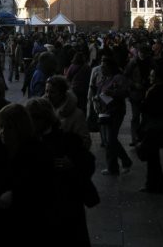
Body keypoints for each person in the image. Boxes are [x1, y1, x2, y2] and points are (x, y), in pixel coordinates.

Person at [0, 103, 55, 247]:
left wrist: (17, 195)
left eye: (9, 127)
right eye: (1, 126)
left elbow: (44, 187)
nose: (3, 131)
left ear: (20, 128)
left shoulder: (38, 153)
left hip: (24, 225)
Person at [25, 98, 94, 247]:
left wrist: (73, 163)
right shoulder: (27, 141)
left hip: (64, 207)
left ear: (44, 119)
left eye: (34, 118)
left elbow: (88, 162)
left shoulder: (68, 139)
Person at [92, 56, 132, 175]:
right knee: (109, 140)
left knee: (111, 140)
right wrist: (96, 97)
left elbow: (125, 92)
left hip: (116, 111)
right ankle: (113, 167)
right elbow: (99, 91)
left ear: (110, 67)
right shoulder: (105, 78)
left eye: (104, 66)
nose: (101, 69)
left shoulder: (118, 78)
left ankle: (125, 161)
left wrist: (112, 93)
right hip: (106, 112)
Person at [137, 68, 163, 193]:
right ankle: (157, 182)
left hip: (153, 127)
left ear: (158, 77)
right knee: (154, 157)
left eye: (152, 75)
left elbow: (147, 108)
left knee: (152, 157)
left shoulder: (155, 91)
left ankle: (152, 184)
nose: (149, 77)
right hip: (162, 126)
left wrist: (144, 98)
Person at [44, 75, 92, 150]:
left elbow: (85, 142)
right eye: (46, 91)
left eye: (52, 92)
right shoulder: (42, 110)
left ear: (62, 94)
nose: (48, 95)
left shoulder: (77, 115)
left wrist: (70, 157)